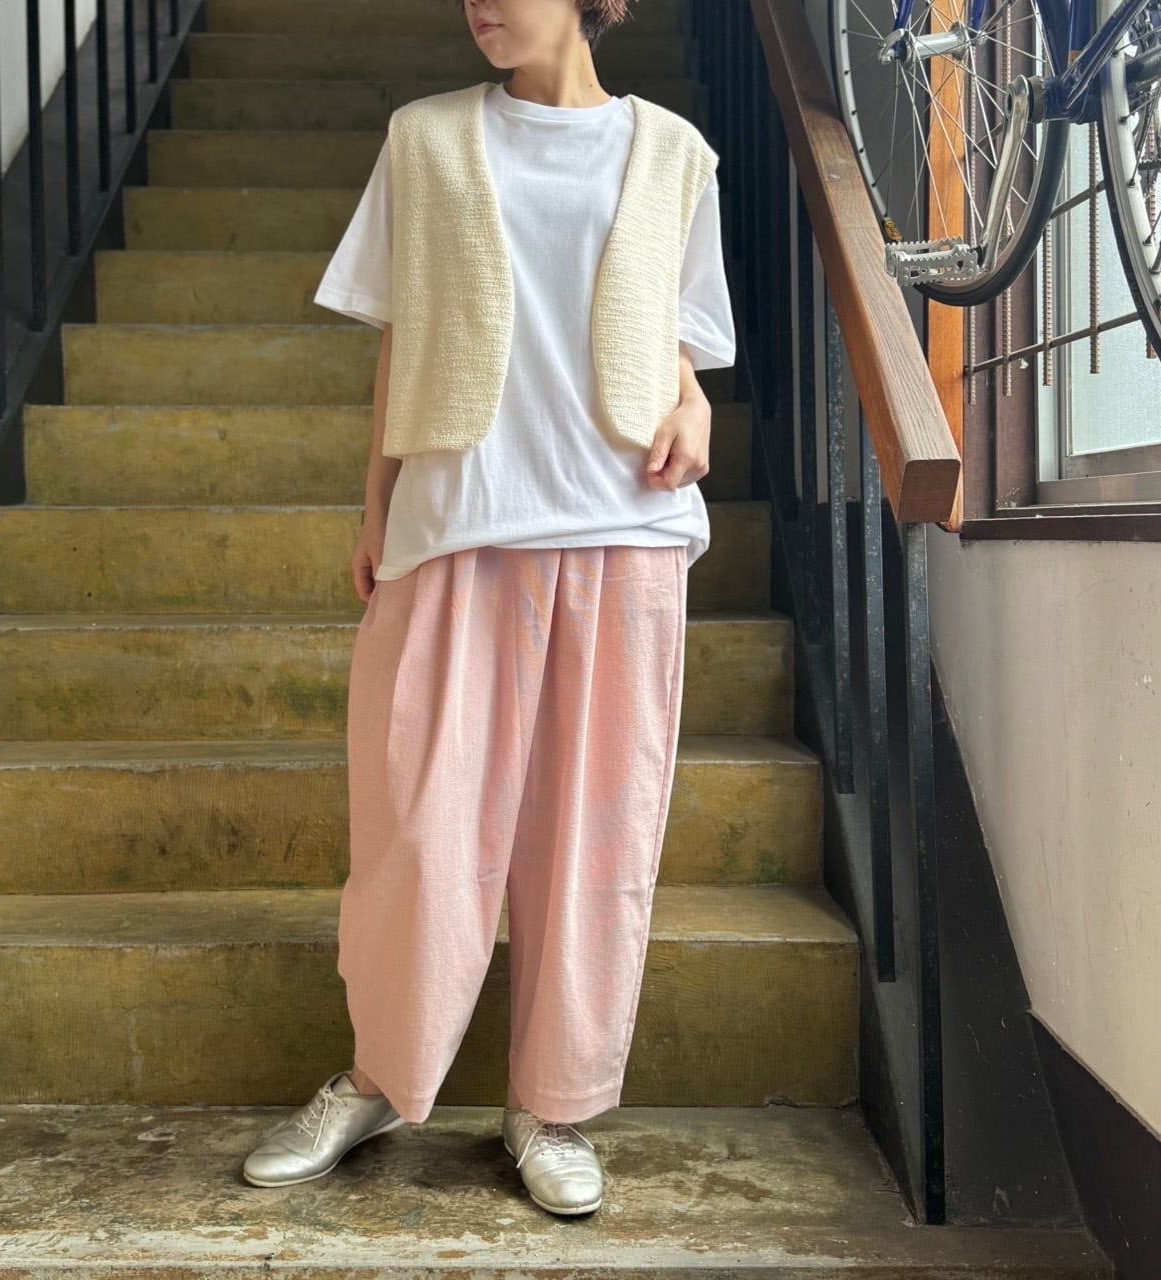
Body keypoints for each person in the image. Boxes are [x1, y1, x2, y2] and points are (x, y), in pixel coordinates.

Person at [242, 0, 736, 1216]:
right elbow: (400, 341)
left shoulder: (675, 153)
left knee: (591, 840)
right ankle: (378, 1074)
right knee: (415, 826)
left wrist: (693, 404)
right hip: (457, 518)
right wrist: (375, 508)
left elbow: (677, 339)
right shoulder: (423, 139)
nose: (478, 3)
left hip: (620, 529)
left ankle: (551, 1103)